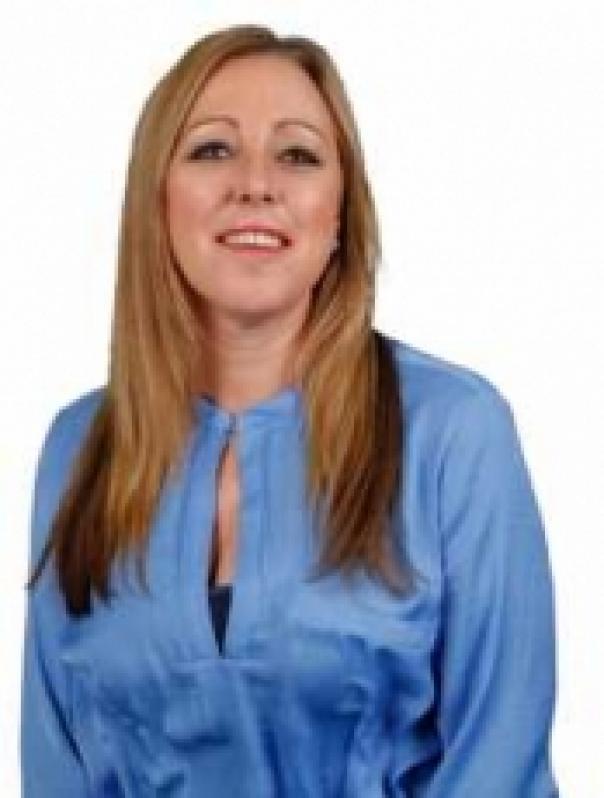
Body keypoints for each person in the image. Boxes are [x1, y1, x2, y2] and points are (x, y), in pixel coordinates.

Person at [19, 23, 559, 797]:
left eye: (298, 155)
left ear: (340, 214)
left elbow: (497, 763)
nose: (256, 184)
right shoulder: (81, 447)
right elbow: (55, 765)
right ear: (156, 200)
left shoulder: (452, 433)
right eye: (212, 149)